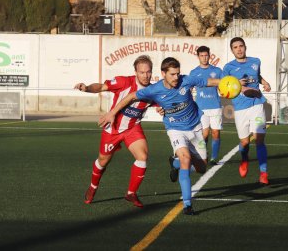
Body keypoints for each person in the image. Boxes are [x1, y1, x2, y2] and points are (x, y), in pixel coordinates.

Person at [98, 57, 231, 215]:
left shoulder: (186, 80)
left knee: (202, 167)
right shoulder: (154, 89)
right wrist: (112, 113)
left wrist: (235, 85)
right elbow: (132, 96)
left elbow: (211, 81)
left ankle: (174, 164)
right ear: (163, 74)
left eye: (178, 74)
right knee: (186, 159)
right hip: (175, 129)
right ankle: (187, 205)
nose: (176, 78)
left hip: (195, 129)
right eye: (172, 74)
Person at [74, 55, 155, 208]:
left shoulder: (153, 90)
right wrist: (87, 88)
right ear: (135, 72)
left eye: (148, 72)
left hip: (133, 128)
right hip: (114, 129)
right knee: (103, 161)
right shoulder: (123, 82)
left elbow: (161, 103)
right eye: (142, 72)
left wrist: (163, 109)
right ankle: (93, 187)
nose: (146, 75)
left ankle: (131, 193)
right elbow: (101, 87)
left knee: (142, 157)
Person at [223, 37, 271, 185]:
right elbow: (225, 86)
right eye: (235, 47)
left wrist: (265, 82)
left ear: (245, 47)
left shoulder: (256, 61)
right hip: (240, 107)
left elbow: (257, 76)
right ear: (232, 50)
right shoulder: (228, 68)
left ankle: (263, 173)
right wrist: (240, 86)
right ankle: (244, 159)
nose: (239, 49)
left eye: (241, 46)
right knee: (244, 142)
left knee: (259, 139)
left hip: (257, 104)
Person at [189, 46, 223, 165]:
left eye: (206, 55)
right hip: (201, 108)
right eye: (202, 56)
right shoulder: (194, 73)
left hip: (215, 106)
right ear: (198, 57)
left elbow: (222, 87)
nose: (204, 58)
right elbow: (189, 88)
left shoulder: (217, 71)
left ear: (209, 55)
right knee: (204, 134)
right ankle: (204, 154)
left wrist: (224, 91)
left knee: (216, 133)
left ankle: (213, 158)